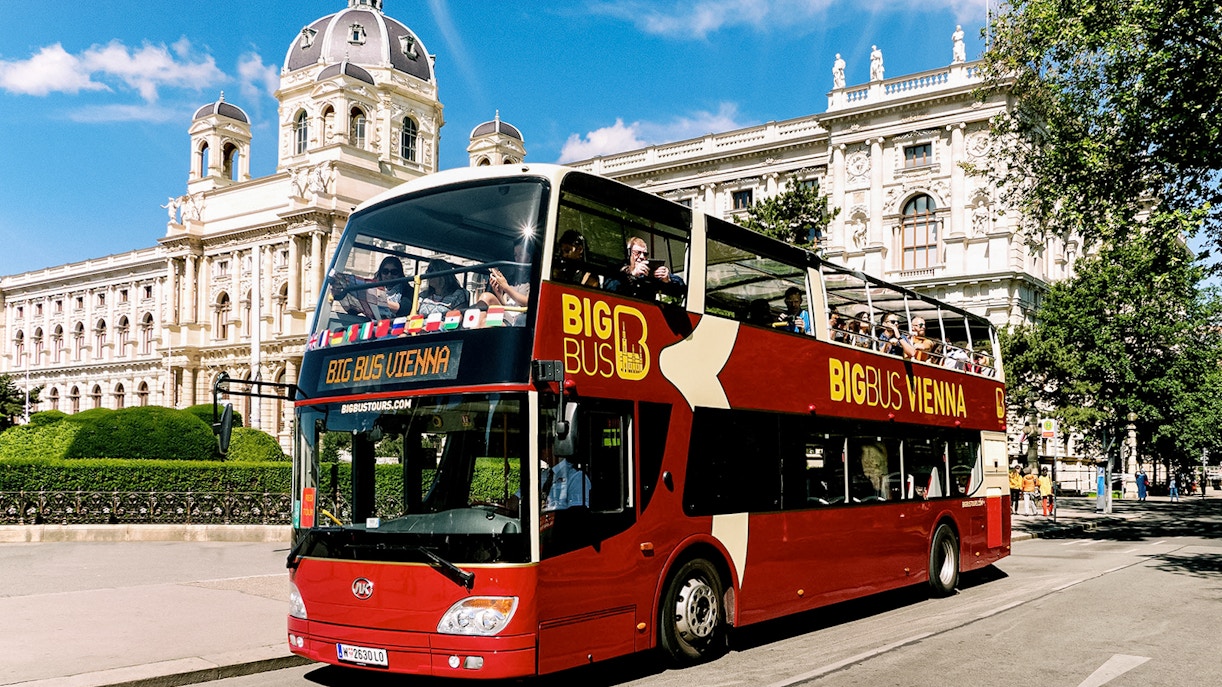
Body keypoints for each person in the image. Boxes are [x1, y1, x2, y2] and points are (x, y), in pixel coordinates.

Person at [331, 255, 409, 319]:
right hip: (375, 327)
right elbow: (353, 311)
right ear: (380, 273)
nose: (389, 275)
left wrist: (378, 301)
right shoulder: (374, 287)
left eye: (394, 272)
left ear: (400, 274)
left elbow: (404, 308)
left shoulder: (407, 289)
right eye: (385, 272)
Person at [604, 236, 683, 300]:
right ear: (628, 254)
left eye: (645, 254)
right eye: (637, 253)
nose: (642, 257)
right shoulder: (616, 270)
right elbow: (609, 290)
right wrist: (633, 275)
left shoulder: (649, 272)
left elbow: (681, 289)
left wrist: (667, 280)